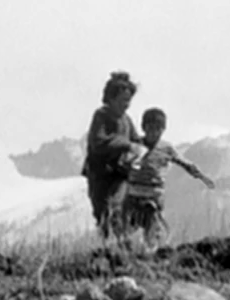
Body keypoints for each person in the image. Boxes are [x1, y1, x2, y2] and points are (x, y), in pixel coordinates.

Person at [122, 107, 215, 248]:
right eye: (150, 128)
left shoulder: (166, 149)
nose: (154, 133)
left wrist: (201, 176)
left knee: (151, 227)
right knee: (125, 230)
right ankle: (124, 253)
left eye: (158, 129)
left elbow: (184, 162)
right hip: (133, 195)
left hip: (153, 197)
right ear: (143, 128)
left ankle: (151, 252)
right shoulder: (135, 146)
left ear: (163, 130)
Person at [81, 71, 144, 240]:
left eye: (129, 101)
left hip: (120, 173)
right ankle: (106, 247)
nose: (127, 105)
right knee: (101, 212)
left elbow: (136, 140)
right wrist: (126, 144)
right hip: (99, 174)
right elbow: (98, 142)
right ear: (111, 98)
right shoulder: (101, 116)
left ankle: (122, 244)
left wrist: (142, 146)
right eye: (123, 100)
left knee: (117, 207)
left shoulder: (126, 120)